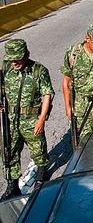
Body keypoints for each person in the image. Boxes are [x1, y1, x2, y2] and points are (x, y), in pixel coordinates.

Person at [1, 39, 54, 201]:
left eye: (18, 58)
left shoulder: (39, 70)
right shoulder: (6, 67)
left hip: (32, 118)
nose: (14, 62)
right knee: (9, 152)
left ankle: (41, 176)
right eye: (12, 59)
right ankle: (12, 185)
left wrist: (42, 119)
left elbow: (47, 95)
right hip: (10, 118)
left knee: (38, 149)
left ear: (27, 54)